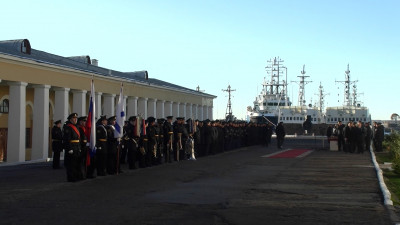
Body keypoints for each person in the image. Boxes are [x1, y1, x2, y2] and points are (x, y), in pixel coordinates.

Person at [63, 113, 82, 182]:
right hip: (71, 148)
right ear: (71, 119)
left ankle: (76, 176)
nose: (75, 119)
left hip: (77, 147)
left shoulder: (76, 127)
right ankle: (71, 177)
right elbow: (67, 139)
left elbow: (79, 139)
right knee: (71, 164)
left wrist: (79, 147)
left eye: (76, 118)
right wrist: (69, 148)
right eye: (74, 118)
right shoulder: (68, 127)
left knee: (76, 163)